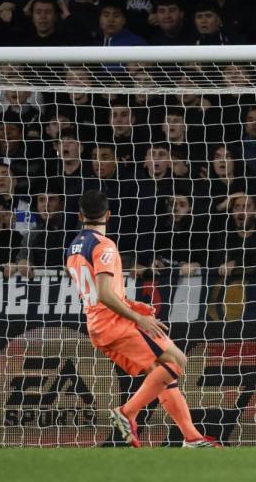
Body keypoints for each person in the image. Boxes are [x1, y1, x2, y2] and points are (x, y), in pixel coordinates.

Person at [65, 190, 217, 448]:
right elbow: (103, 293)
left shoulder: (73, 247)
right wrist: (138, 317)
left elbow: (94, 291)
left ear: (81, 216)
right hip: (115, 323)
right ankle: (127, 412)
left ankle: (192, 437)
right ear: (108, 215)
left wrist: (134, 304)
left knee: (161, 374)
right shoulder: (104, 246)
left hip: (98, 324)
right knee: (177, 362)